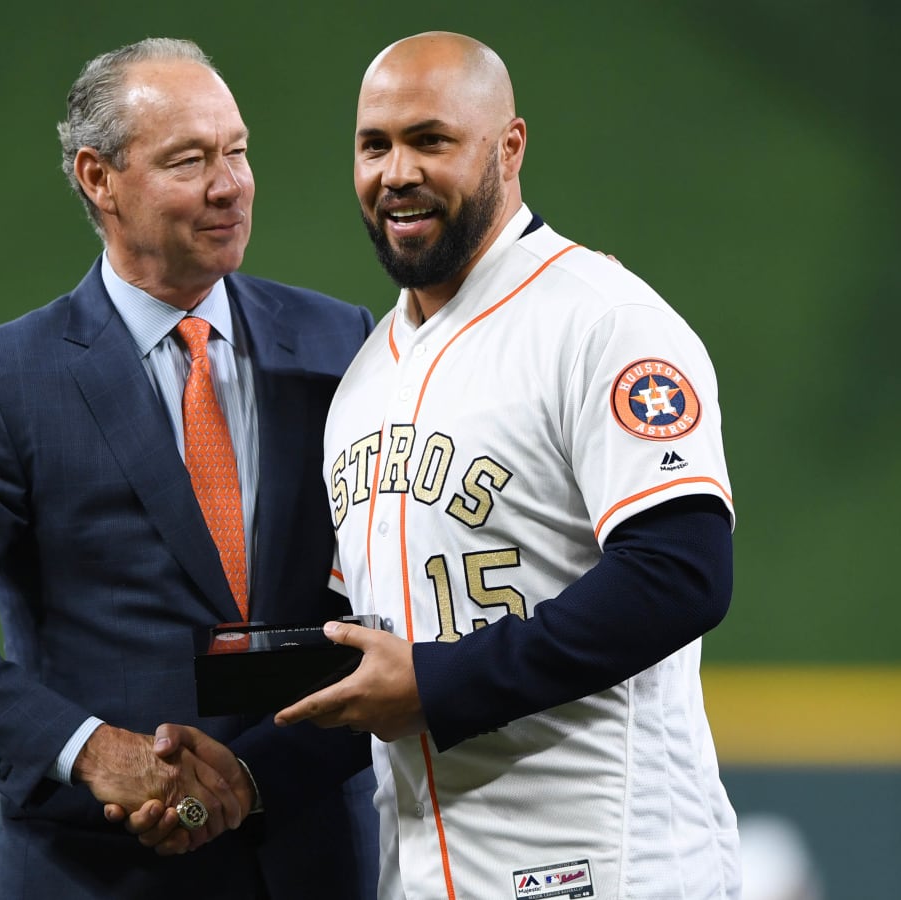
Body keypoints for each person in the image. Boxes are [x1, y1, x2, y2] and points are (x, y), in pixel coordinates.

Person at [0, 38, 377, 900]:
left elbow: (401, 608)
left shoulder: (344, 344)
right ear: (98, 177)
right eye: (188, 159)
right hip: (96, 873)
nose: (229, 183)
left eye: (237, 150)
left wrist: (252, 776)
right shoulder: (0, 383)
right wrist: (92, 751)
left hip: (315, 862)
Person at [274, 31, 742, 900]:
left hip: (614, 864)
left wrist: (438, 682)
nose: (396, 172)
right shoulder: (367, 376)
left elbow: (681, 574)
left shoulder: (601, 320)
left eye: (430, 140)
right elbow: (366, 657)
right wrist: (231, 777)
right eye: (374, 145)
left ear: (509, 147)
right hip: (427, 874)